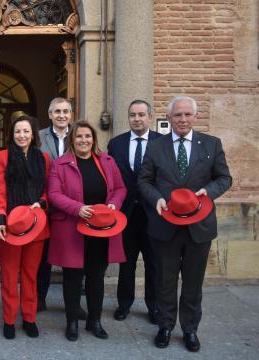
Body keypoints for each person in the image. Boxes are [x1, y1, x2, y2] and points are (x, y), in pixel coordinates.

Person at [138, 96, 231, 352]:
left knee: (193, 282)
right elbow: (144, 181)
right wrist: (156, 198)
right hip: (164, 226)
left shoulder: (211, 144)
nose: (182, 119)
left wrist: (207, 192)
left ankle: (190, 329)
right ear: (169, 118)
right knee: (165, 280)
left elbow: (224, 178)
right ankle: (165, 326)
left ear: (195, 116)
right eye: (177, 115)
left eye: (187, 114)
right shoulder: (156, 146)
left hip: (198, 228)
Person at [47, 121, 127, 341]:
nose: (84, 140)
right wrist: (78, 208)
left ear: (94, 139)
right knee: (72, 277)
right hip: (72, 229)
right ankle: (72, 322)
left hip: (101, 229)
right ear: (72, 139)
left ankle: (95, 321)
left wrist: (114, 204)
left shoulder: (107, 161)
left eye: (88, 136)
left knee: (96, 277)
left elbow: (120, 188)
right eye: (79, 137)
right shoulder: (60, 164)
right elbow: (54, 194)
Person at [0, 115, 50, 339]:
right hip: (9, 226)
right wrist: (0, 218)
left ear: (33, 134)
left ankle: (29, 318)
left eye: (26, 131)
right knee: (9, 276)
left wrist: (43, 202)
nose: (22, 135)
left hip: (36, 225)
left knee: (30, 275)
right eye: (17, 131)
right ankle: (9, 320)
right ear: (12, 134)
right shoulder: (2, 156)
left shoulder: (44, 158)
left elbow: (47, 189)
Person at [108, 100, 161, 324]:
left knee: (154, 263)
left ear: (149, 117)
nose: (137, 119)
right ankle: (124, 304)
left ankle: (154, 307)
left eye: (141, 115)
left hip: (154, 214)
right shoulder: (116, 144)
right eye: (132, 115)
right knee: (126, 262)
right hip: (126, 214)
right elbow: (111, 177)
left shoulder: (162, 142)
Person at [36, 97, 86, 320]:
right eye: (57, 111)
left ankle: (72, 304)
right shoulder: (38, 137)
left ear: (71, 114)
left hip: (71, 208)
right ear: (49, 114)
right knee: (42, 258)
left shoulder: (81, 137)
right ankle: (38, 299)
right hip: (45, 206)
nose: (62, 115)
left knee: (72, 259)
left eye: (66, 111)